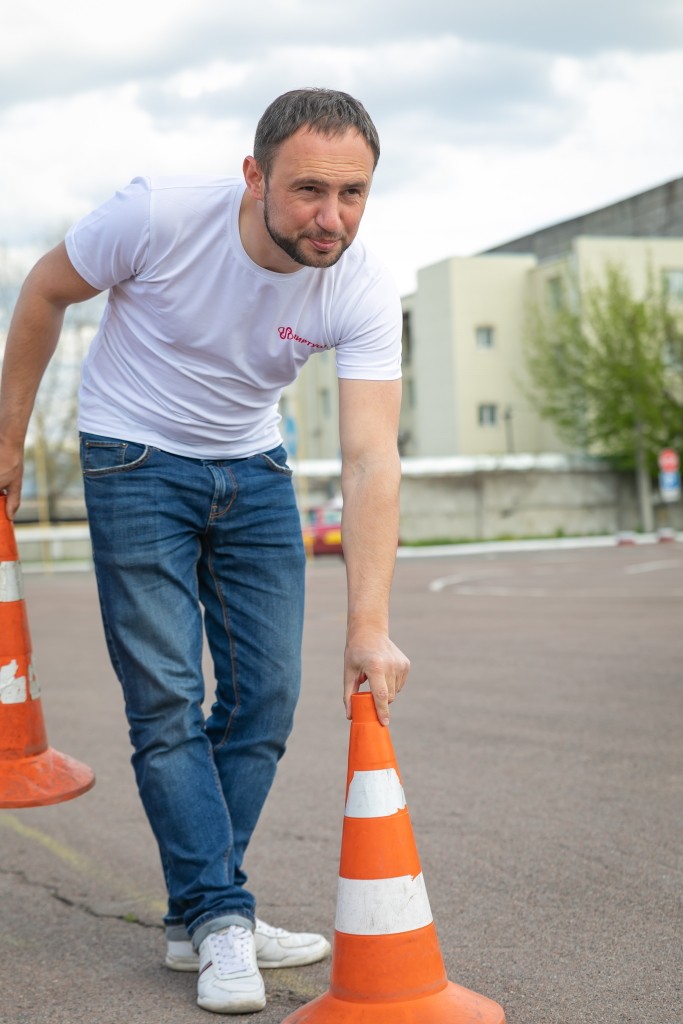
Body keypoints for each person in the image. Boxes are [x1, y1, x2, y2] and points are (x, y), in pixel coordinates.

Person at [0, 87, 410, 1015]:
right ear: (254, 175)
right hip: (132, 455)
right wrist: (8, 439)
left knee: (266, 697)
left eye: (352, 194)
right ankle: (223, 917)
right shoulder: (156, 214)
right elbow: (44, 290)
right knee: (168, 701)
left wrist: (371, 627)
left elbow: (369, 455)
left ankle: (202, 901)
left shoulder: (358, 281)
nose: (330, 217)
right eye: (309, 190)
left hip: (255, 468)